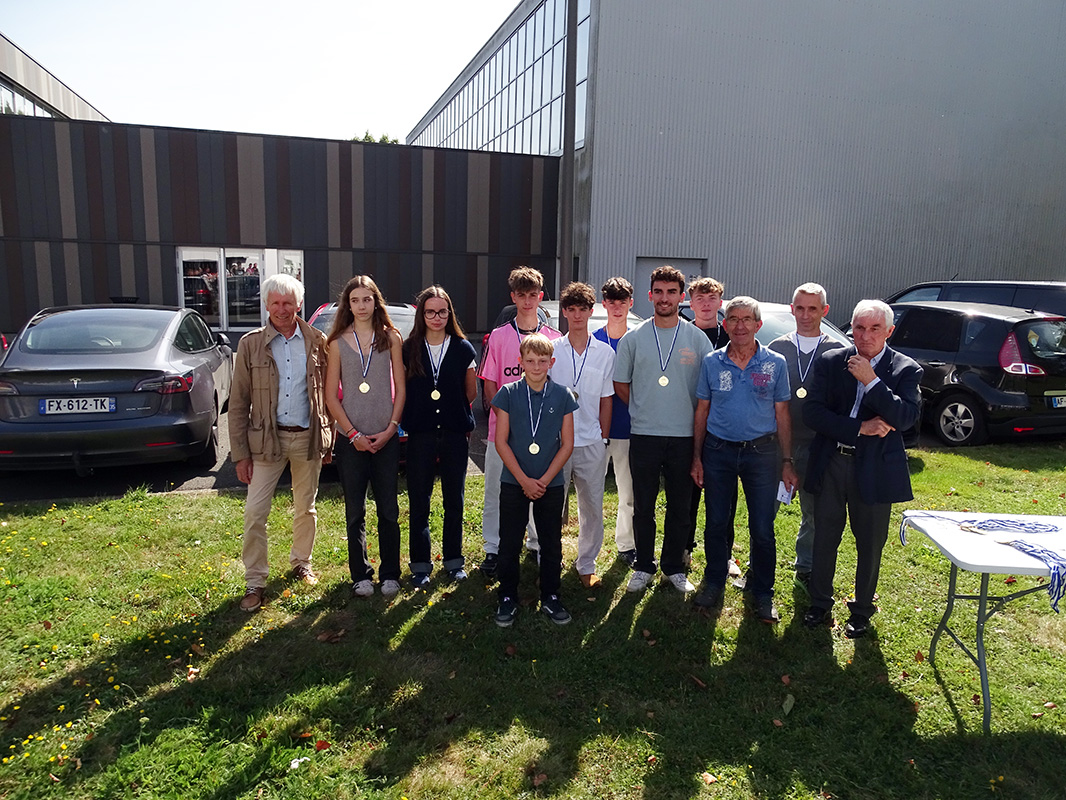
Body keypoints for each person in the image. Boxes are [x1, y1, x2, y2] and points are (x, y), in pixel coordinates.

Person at [801, 300, 922, 638]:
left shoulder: (905, 369)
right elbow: (813, 413)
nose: (865, 336)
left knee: (870, 542)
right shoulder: (831, 361)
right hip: (832, 461)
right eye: (859, 328)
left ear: (889, 331)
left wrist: (872, 382)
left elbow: (906, 418)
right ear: (851, 328)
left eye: (874, 329)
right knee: (824, 536)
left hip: (875, 467)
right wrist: (860, 428)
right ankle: (819, 603)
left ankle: (862, 610)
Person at [230, 274, 333, 613]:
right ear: (266, 305)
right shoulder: (250, 344)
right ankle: (255, 581)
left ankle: (302, 562)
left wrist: (328, 440)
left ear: (299, 304)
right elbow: (238, 403)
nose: (281, 309)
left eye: (288, 302)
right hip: (266, 442)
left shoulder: (318, 341)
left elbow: (327, 396)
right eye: (275, 302)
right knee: (255, 513)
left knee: (306, 507)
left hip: (307, 438)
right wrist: (241, 454)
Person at [691, 297, 797, 622]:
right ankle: (714, 581)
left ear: (758, 325)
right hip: (718, 451)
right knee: (716, 522)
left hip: (762, 454)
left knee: (762, 527)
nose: (739, 326)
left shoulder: (775, 363)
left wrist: (787, 461)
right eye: (733, 319)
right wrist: (697, 457)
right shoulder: (711, 362)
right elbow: (702, 410)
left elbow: (782, 413)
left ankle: (763, 592)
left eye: (746, 319)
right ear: (725, 325)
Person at [614, 266, 712, 594]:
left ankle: (673, 567)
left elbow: (706, 390)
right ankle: (643, 565)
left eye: (671, 292)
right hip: (644, 434)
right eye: (658, 291)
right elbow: (621, 383)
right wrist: (642, 407)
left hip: (684, 436)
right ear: (650, 295)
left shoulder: (697, 339)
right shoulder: (633, 338)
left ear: (681, 297)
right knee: (643, 504)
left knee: (680, 506)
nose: (664, 298)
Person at [325, 276, 406, 599]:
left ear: (376, 302)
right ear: (348, 304)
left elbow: (401, 388)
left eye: (367, 299)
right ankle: (360, 575)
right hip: (351, 440)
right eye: (355, 300)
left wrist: (392, 427)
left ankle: (390, 574)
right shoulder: (336, 342)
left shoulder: (391, 338)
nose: (361, 306)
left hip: (386, 438)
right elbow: (330, 396)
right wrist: (352, 433)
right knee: (354, 511)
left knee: (388, 510)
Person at [478, 266, 562, 578]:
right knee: (495, 491)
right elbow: (490, 384)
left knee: (539, 488)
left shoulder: (554, 338)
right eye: (522, 295)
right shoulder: (499, 337)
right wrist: (504, 420)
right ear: (513, 297)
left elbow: (557, 386)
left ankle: (537, 544)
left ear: (540, 297)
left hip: (541, 433)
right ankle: (493, 547)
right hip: (502, 432)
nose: (527, 301)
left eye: (533, 295)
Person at [492, 333, 577, 627]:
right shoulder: (507, 393)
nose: (537, 366)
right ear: (520, 362)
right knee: (509, 542)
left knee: (551, 542)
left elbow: (567, 444)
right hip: (514, 481)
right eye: (530, 361)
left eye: (542, 361)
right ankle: (507, 596)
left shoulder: (563, 395)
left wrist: (544, 479)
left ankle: (551, 595)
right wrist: (524, 480)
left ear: (551, 363)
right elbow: (501, 441)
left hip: (550, 484)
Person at [768, 283, 844, 593]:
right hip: (777, 444)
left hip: (818, 445)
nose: (805, 315)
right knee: (766, 510)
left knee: (813, 513)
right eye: (800, 308)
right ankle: (759, 567)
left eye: (813, 308)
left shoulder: (838, 352)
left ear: (825, 311)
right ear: (792, 309)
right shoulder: (777, 347)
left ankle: (806, 569)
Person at [401, 285, 478, 587]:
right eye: (430, 312)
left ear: (449, 314)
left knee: (454, 500)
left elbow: (470, 392)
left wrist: (449, 411)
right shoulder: (409, 348)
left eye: (442, 312)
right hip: (420, 434)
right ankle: (420, 566)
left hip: (454, 433)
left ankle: (453, 561)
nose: (436, 317)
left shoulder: (463, 348)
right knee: (419, 500)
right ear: (422, 314)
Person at [550, 282, 615, 588]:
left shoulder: (605, 353)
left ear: (591, 312)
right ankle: (546, 556)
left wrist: (603, 438)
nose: (577, 315)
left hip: (591, 441)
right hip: (556, 443)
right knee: (551, 504)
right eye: (571, 309)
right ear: (564, 312)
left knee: (592, 507)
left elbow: (606, 399)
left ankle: (586, 563)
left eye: (583, 309)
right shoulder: (552, 350)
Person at [684, 277, 741, 580]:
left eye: (711, 299)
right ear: (690, 303)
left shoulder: (731, 337)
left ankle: (725, 554)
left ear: (720, 302)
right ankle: (684, 548)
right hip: (688, 424)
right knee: (687, 493)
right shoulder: (682, 335)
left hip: (723, 427)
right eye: (700, 299)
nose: (706, 304)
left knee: (725, 497)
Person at [593, 277, 637, 566]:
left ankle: (626, 545)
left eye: (622, 301)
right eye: (612, 301)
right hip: (594, 429)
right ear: (604, 304)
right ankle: (589, 547)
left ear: (631, 303)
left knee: (628, 494)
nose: (617, 307)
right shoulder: (593, 339)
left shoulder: (638, 339)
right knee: (591, 494)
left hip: (629, 427)